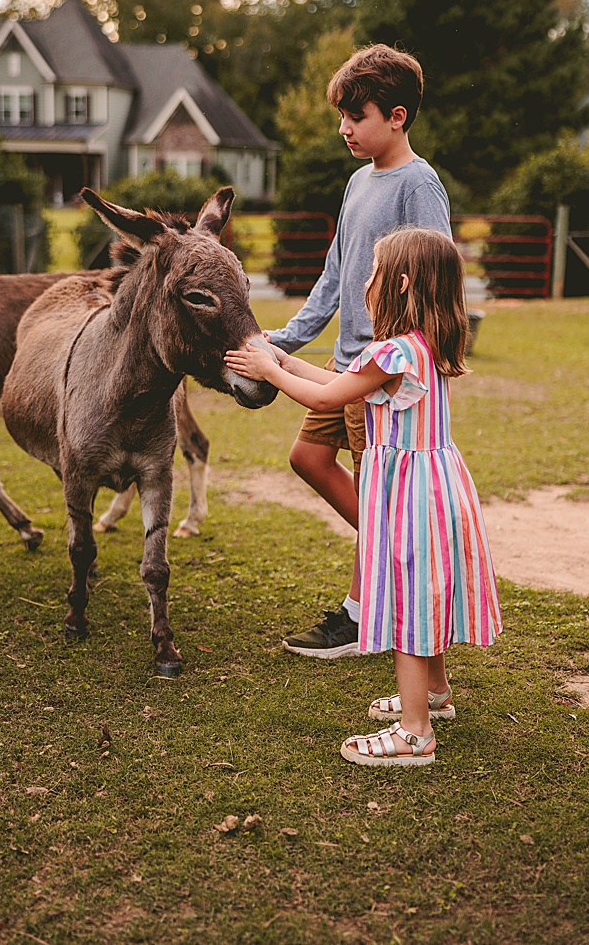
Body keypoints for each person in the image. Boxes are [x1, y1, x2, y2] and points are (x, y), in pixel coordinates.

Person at [226, 229, 502, 765]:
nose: (365, 283)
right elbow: (341, 380)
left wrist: (269, 372)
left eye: (373, 274)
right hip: (432, 487)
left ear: (398, 284)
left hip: (410, 495)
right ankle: (436, 695)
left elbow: (325, 394)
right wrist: (275, 355)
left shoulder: (394, 351)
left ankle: (415, 733)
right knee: (425, 592)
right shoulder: (420, 343)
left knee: (407, 600)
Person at [265, 44, 452, 659]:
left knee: (379, 494)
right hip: (342, 361)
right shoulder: (354, 182)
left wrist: (405, 360)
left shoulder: (419, 185)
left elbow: (433, 276)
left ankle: (361, 610)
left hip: (382, 374)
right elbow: (334, 276)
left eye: (357, 115)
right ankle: (392, 561)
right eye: (341, 116)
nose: (344, 128)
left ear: (397, 116)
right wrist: (285, 340)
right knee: (308, 458)